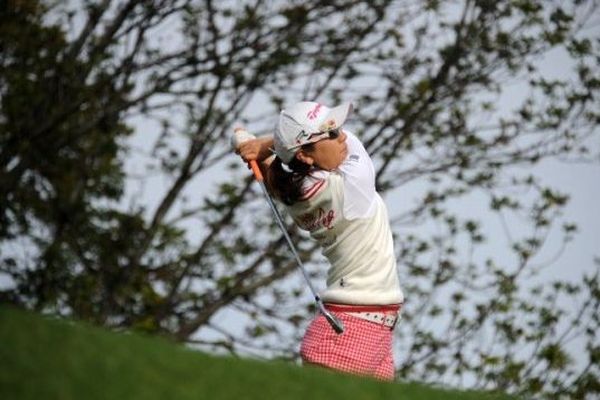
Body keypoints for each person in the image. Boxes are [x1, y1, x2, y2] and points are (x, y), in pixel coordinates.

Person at [235, 101, 404, 381]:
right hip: (352, 327)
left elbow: (273, 169)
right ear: (305, 156)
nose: (340, 137)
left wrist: (265, 148)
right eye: (331, 133)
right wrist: (265, 145)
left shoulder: (296, 191)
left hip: (368, 328)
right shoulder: (352, 184)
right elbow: (353, 141)